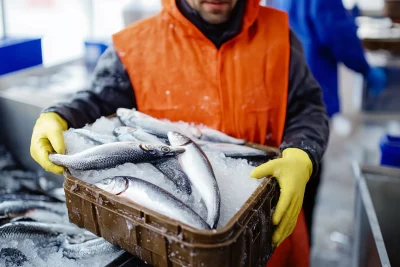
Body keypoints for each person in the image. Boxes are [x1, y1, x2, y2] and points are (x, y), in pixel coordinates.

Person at [30, 0, 329, 266]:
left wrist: (302, 153)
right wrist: (59, 115)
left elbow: (307, 107)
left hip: (267, 231)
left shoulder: (279, 36)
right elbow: (97, 100)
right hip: (172, 247)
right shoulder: (134, 46)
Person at [270, 0, 387, 245]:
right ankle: (298, 244)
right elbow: (338, 34)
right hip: (313, 85)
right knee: (305, 176)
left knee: (275, 178)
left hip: (276, 90)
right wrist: (365, 68)